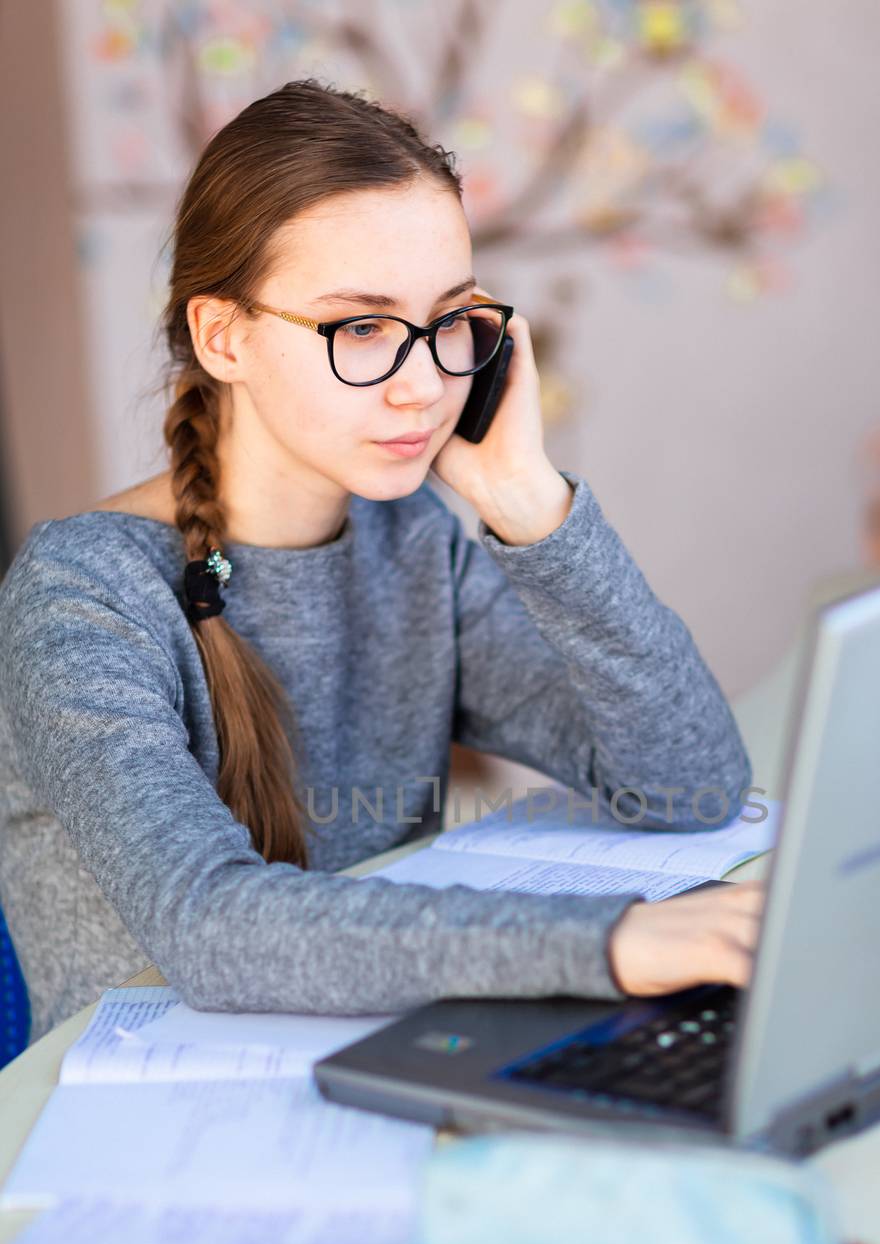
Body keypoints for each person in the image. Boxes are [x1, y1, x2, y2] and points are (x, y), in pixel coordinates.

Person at [0, 79, 765, 1046]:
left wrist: (531, 505)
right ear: (222, 336)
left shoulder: (414, 545)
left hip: (370, 1048)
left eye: (450, 322)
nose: (422, 386)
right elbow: (213, 927)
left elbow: (689, 782)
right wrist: (612, 944)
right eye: (360, 327)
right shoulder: (81, 596)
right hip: (154, 1121)